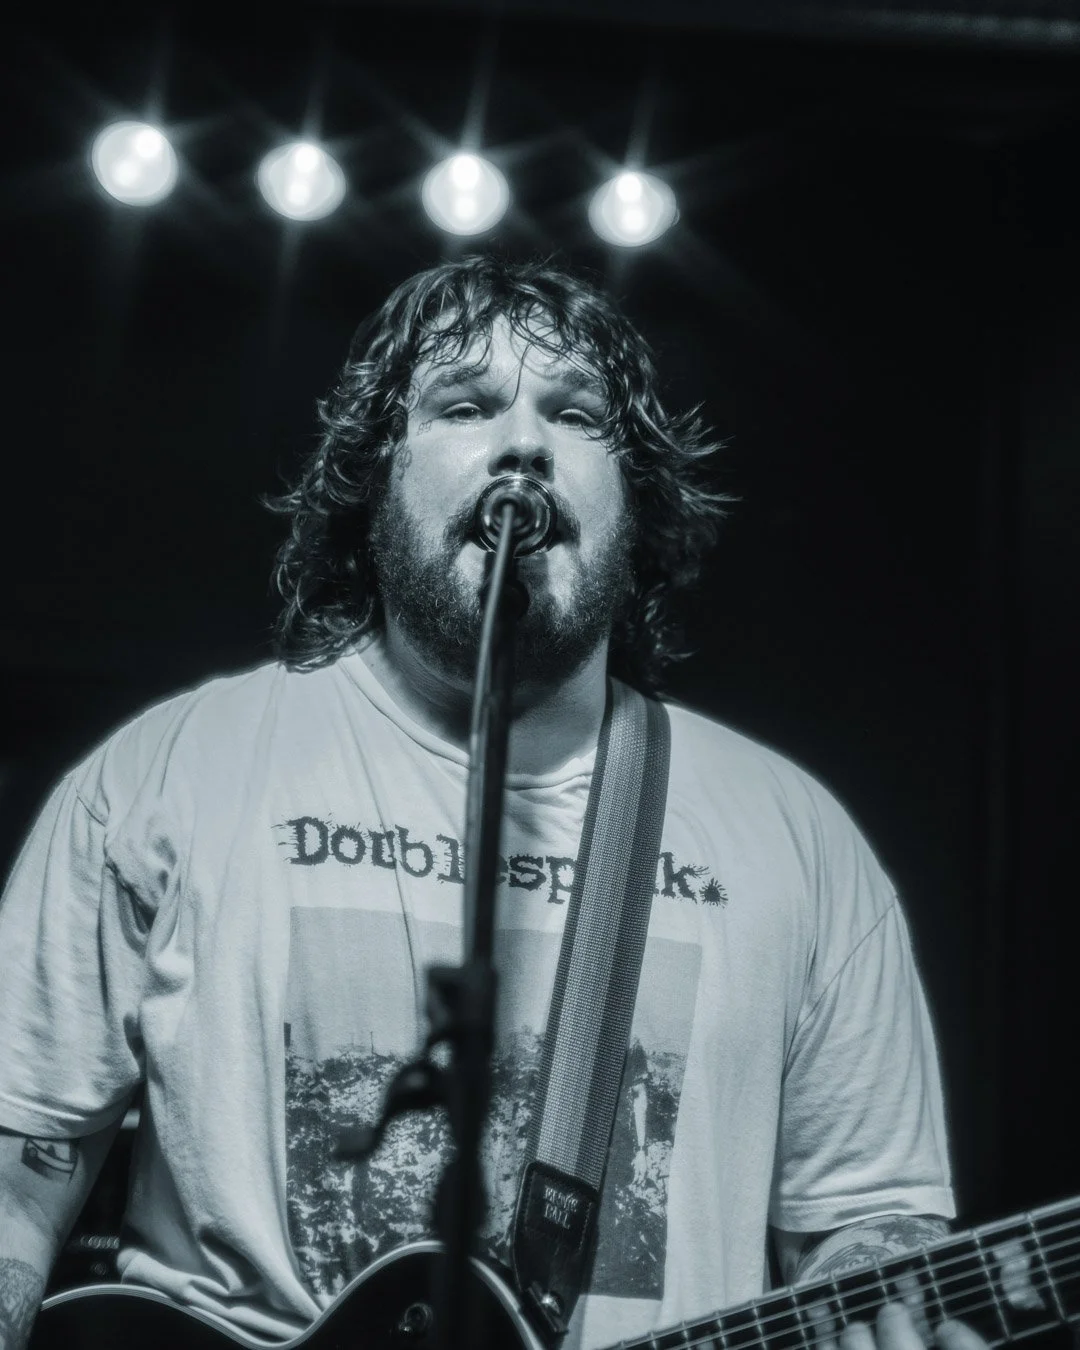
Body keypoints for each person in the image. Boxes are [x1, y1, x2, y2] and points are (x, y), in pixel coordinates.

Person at [0, 255, 988, 1350]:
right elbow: (18, 1169)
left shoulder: (794, 840)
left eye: (576, 415)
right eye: (466, 405)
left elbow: (863, 1221)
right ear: (376, 477)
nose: (525, 443)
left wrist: (885, 1286)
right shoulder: (170, 773)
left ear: (635, 500)